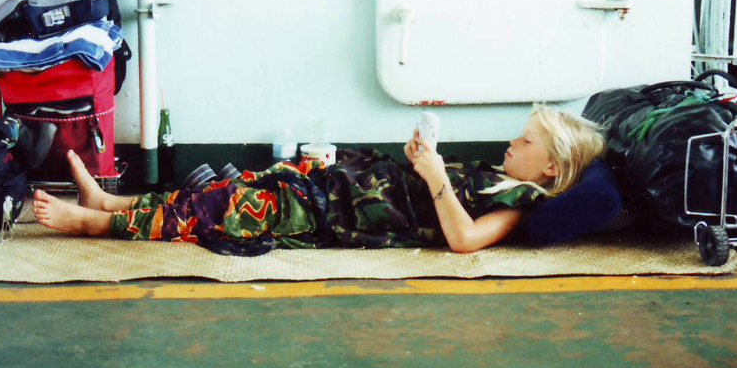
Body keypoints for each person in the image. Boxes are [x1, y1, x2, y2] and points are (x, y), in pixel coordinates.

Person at [32, 104, 605, 254]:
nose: (512, 143)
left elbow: (463, 240)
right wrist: (420, 157)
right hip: (337, 183)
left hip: (332, 216)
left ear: (550, 168)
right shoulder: (496, 175)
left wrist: (432, 173)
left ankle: (94, 224)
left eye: (525, 142)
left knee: (223, 214)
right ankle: (115, 199)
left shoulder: (522, 200)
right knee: (229, 190)